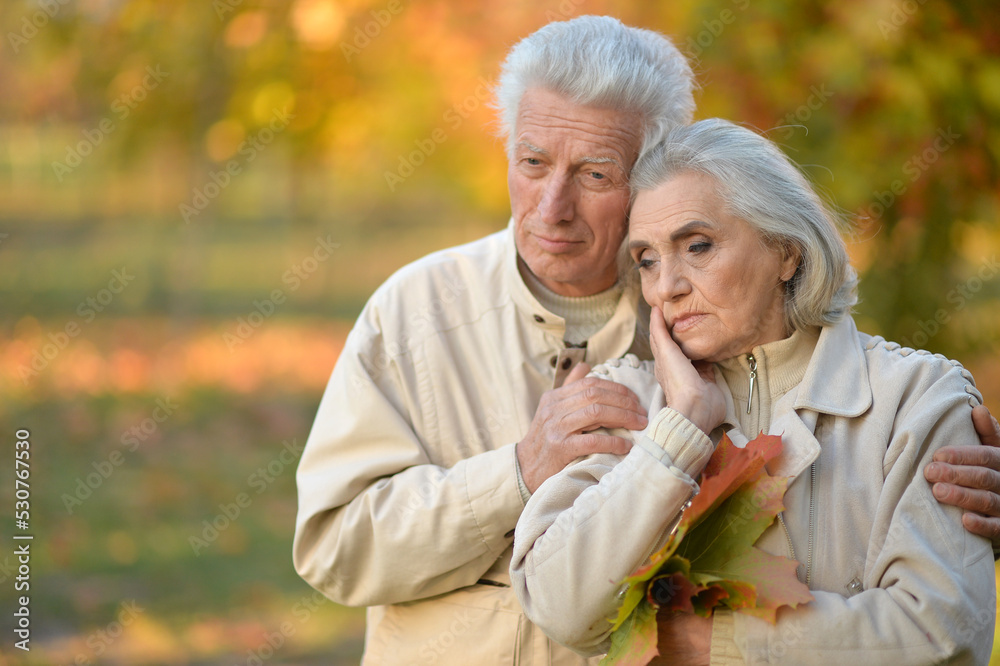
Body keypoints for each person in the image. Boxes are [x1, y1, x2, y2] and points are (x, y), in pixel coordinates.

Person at [293, 15, 1000, 666]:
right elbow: (334, 546)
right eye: (532, 163)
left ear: (654, 173)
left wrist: (949, 521)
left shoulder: (710, 337)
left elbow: (919, 594)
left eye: (595, 175)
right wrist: (515, 474)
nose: (551, 208)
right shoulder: (416, 311)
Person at [510, 118, 996, 664]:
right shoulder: (625, 399)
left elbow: (946, 633)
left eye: (697, 246)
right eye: (647, 260)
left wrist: (719, 645)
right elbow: (556, 605)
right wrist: (675, 435)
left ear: (787, 251)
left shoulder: (918, 398)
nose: (666, 286)